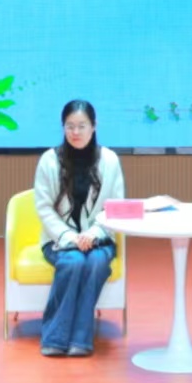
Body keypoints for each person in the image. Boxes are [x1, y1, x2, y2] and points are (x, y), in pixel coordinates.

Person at [31, 100, 125, 357]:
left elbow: (115, 207)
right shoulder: (49, 160)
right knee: (73, 261)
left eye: (82, 126)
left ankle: (80, 340)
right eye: (70, 126)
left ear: (94, 126)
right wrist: (70, 237)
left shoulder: (110, 160)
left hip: (100, 238)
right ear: (63, 127)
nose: (75, 132)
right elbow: (44, 208)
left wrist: (93, 234)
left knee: (94, 262)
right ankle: (55, 337)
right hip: (58, 240)